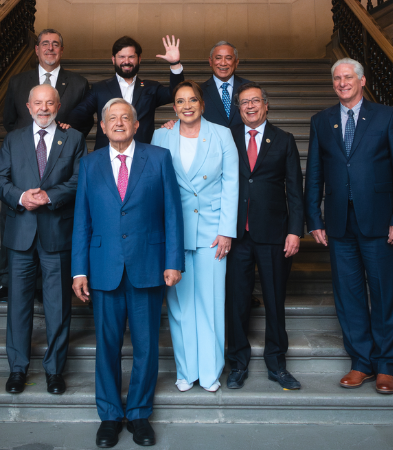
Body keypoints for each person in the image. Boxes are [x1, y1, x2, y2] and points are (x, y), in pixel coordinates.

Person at [71, 99, 184, 448]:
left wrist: (173, 261)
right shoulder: (89, 164)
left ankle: (137, 413)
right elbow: (82, 222)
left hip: (148, 266)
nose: (119, 123)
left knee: (146, 346)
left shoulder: (159, 159)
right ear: (102, 128)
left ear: (137, 125)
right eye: (112, 119)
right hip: (104, 268)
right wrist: (78, 271)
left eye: (126, 118)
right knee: (106, 346)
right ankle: (109, 416)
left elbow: (172, 214)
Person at [303, 58, 393, 395]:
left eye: (348, 77)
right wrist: (314, 218)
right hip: (338, 223)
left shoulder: (386, 116)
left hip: (380, 221)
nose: (342, 83)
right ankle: (361, 363)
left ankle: (385, 366)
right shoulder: (321, 121)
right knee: (348, 296)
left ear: (361, 81)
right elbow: (316, 173)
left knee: (384, 293)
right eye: (337, 78)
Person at [0, 28, 90, 304]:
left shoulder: (79, 82)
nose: (50, 48)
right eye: (45, 44)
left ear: (62, 49)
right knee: (13, 227)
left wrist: (59, 130)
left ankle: (41, 287)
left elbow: (84, 123)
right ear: (36, 49)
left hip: (57, 164)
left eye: (56, 44)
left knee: (51, 233)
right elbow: (10, 120)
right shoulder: (17, 81)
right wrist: (25, 145)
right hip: (22, 166)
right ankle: (4, 283)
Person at [0, 84, 87, 395]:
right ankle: (17, 369)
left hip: (56, 234)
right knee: (18, 305)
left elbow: (78, 179)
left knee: (58, 306)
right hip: (21, 235)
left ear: (58, 105)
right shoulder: (13, 139)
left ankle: (54, 371)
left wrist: (50, 195)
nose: (43, 108)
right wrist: (20, 196)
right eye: (38, 103)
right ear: (29, 107)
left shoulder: (73, 138)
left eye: (49, 103)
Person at [151, 80, 239, 393]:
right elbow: (154, 185)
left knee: (211, 304)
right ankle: (186, 371)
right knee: (179, 305)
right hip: (174, 233)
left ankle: (211, 371)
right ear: (173, 107)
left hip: (212, 233)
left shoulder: (222, 134)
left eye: (192, 100)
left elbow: (232, 183)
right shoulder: (161, 135)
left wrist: (227, 230)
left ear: (201, 104)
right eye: (180, 101)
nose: (187, 106)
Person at [225, 82, 304, 390]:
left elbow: (294, 191)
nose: (250, 106)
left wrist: (295, 231)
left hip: (274, 233)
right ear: (239, 108)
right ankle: (238, 362)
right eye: (244, 102)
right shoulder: (226, 137)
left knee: (273, 300)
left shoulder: (284, 140)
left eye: (255, 101)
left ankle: (276, 363)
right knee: (237, 302)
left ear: (266, 105)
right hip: (235, 234)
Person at [65, 35, 184, 150]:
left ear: (139, 59)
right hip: (106, 155)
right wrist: (64, 126)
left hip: (142, 154)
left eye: (131, 57)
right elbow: (80, 113)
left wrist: (175, 64)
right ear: (113, 59)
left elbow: (176, 94)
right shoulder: (99, 88)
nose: (126, 61)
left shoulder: (150, 88)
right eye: (121, 57)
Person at [200, 41, 251, 128]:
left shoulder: (250, 87)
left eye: (228, 58)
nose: (223, 63)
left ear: (236, 62)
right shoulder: (199, 91)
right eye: (218, 58)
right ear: (210, 61)